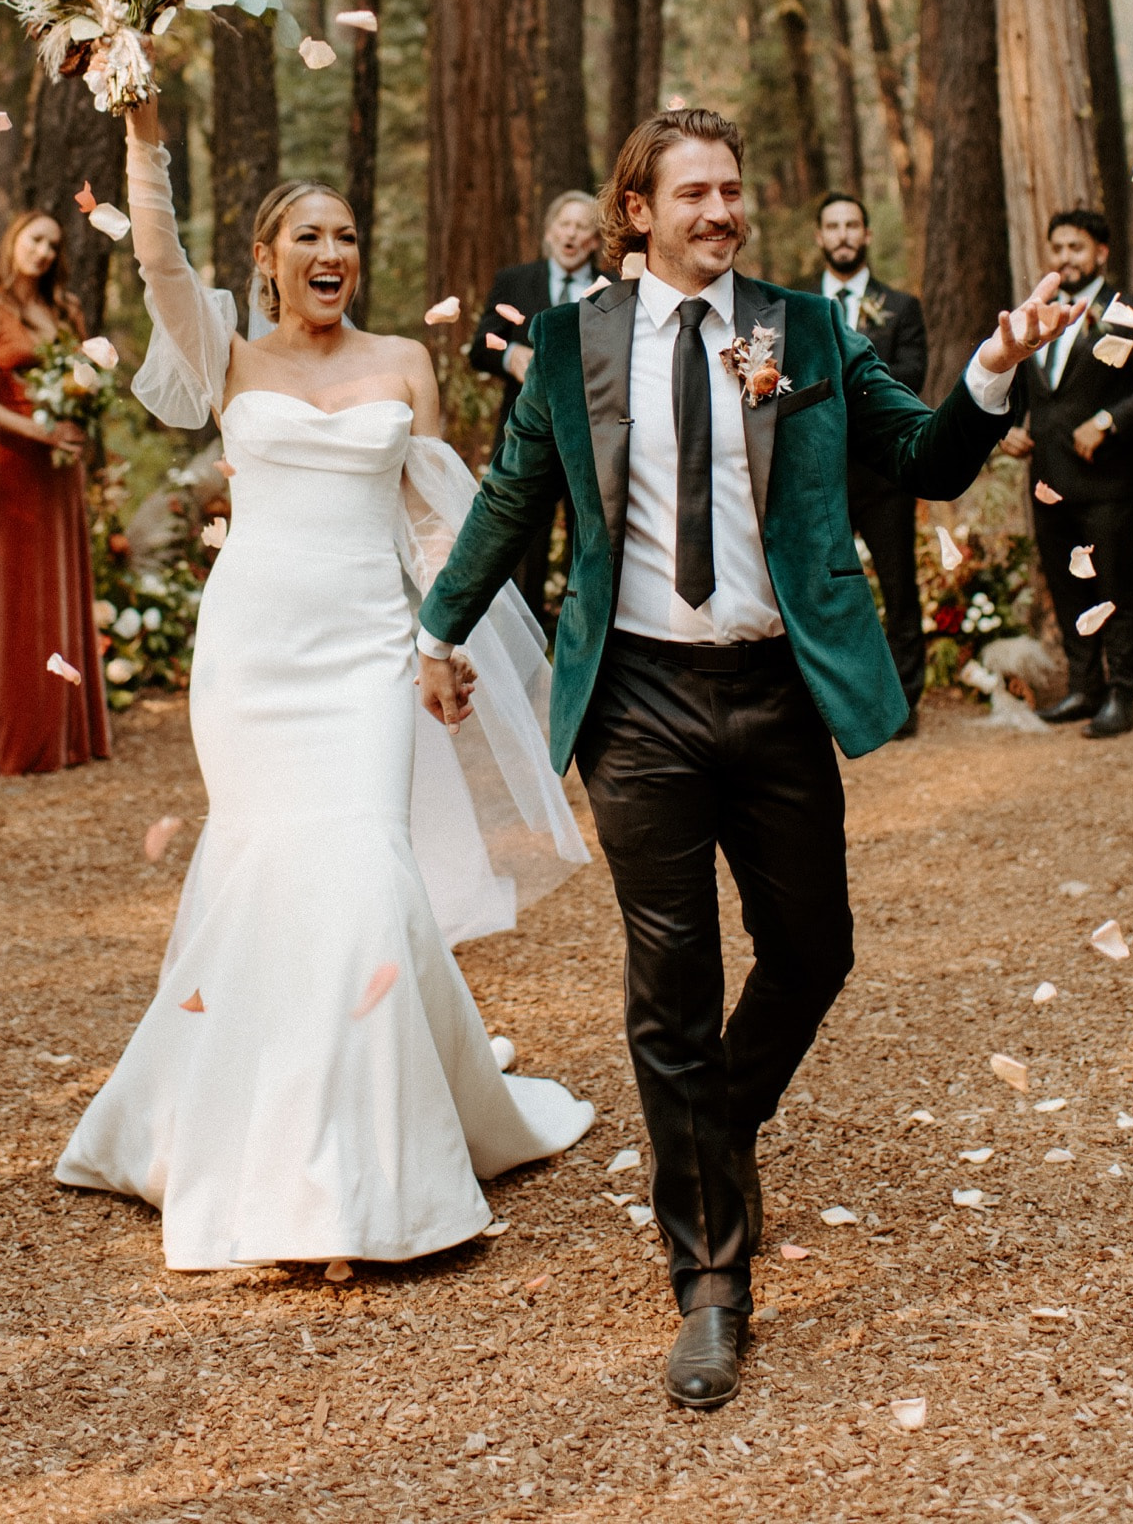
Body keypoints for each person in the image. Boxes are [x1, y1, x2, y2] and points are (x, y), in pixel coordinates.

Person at [415, 104, 1079, 1411]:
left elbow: (929, 460)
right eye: (696, 195)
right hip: (638, 700)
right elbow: (512, 499)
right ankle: (712, 1284)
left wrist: (996, 368)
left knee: (814, 945)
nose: (722, 213)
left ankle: (708, 1139)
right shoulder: (569, 342)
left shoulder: (808, 330)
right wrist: (438, 626)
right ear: (639, 212)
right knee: (672, 981)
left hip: (774, 692)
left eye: (733, 191)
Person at [56, 103, 593, 1270]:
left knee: (358, 871)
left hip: (361, 658)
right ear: (266, 258)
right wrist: (147, 126)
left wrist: (441, 645)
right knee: (269, 873)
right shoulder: (228, 355)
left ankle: (357, 1177)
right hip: (252, 655)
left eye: (345, 235)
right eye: (306, 236)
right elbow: (156, 257)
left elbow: (426, 522)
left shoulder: (403, 362)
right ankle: (267, 1151)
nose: (330, 254)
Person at [1000, 208, 1133, 740]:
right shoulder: (1038, 315)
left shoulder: (1128, 312)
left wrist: (1107, 420)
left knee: (1115, 587)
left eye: (1076, 248)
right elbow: (1021, 391)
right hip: (1048, 480)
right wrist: (1006, 429)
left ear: (1101, 252)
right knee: (1067, 588)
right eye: (1058, 248)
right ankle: (1085, 687)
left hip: (1108, 481)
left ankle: (1122, 691)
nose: (1065, 258)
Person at [0, 212, 111, 778]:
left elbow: (85, 383)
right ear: (11, 241)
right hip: (12, 468)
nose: (43, 251)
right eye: (34, 239)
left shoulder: (64, 312)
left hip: (60, 470)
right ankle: (22, 736)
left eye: (53, 244)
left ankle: (68, 731)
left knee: (61, 592)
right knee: (20, 602)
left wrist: (77, 424)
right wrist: (38, 431)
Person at [814, 191, 929, 736]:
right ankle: (832, 701)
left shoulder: (901, 307)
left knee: (898, 587)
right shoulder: (794, 306)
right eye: (832, 226)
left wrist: (834, 394)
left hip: (883, 476)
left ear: (865, 235)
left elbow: (907, 379)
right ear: (820, 237)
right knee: (820, 588)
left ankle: (904, 702)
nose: (841, 234)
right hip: (817, 479)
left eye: (851, 225)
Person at [469, 191, 601, 621]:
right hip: (526, 432)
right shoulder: (516, 281)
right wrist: (510, 355)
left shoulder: (613, 288)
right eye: (565, 225)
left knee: (589, 534)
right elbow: (481, 344)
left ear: (595, 240)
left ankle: (578, 631)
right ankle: (523, 635)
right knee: (523, 538)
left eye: (582, 227)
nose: (572, 234)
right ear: (549, 233)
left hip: (590, 435)